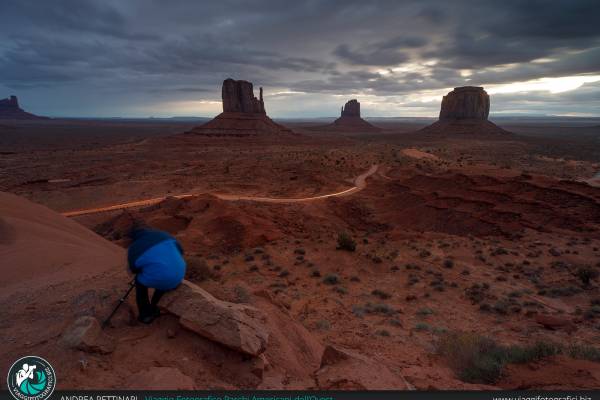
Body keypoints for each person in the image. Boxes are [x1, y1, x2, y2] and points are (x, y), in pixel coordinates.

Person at [127, 222, 186, 324]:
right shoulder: (163, 235)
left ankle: (146, 315)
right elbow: (181, 251)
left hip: (163, 278)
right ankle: (155, 308)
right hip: (179, 275)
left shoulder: (134, 248)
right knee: (161, 275)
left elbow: (134, 270)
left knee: (140, 282)